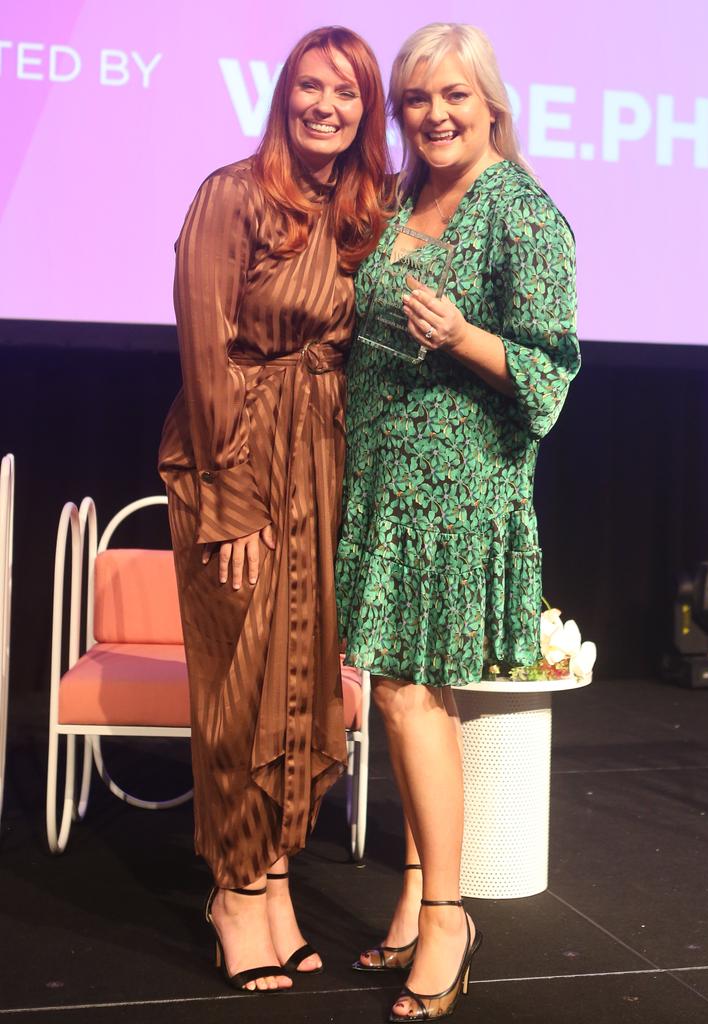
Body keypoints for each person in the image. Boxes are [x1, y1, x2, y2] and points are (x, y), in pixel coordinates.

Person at [335, 22, 580, 1021]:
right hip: (383, 474)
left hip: (457, 490)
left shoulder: (523, 213)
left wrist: (467, 335)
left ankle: (449, 918)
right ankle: (409, 896)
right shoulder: (402, 197)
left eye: (453, 97)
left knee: (403, 696)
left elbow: (553, 372)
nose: (434, 115)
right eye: (416, 100)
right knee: (399, 690)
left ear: (491, 104)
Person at [158, 26, 391, 994]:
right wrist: (236, 501)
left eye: (345, 91)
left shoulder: (358, 212)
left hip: (321, 462)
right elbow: (207, 348)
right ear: (282, 93)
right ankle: (232, 889)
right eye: (310, 85)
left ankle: (276, 883)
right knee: (239, 684)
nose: (325, 104)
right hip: (234, 462)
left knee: (301, 681)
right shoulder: (232, 194)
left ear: (365, 108)